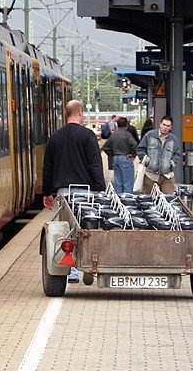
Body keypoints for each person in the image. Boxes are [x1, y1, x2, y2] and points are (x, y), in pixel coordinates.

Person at [43, 100, 106, 283]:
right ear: (80, 112)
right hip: (87, 193)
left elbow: (48, 167)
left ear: (66, 112)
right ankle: (88, 264)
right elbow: (95, 164)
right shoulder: (88, 136)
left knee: (67, 231)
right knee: (87, 229)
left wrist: (48, 193)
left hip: (64, 193)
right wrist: (100, 188)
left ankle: (71, 271)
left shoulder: (55, 137)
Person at [136, 115, 182, 194]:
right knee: (149, 201)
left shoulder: (173, 139)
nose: (165, 127)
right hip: (151, 175)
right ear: (160, 124)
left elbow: (177, 153)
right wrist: (146, 160)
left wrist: (172, 163)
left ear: (171, 127)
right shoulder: (149, 135)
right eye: (164, 125)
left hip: (167, 176)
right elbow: (140, 149)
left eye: (168, 126)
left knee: (168, 201)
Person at [102, 117, 138, 194]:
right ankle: (127, 202)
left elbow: (105, 147)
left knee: (118, 183)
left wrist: (111, 154)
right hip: (125, 158)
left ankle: (118, 201)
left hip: (116, 158)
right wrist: (133, 155)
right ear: (127, 125)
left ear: (117, 125)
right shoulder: (127, 135)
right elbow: (135, 145)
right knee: (127, 183)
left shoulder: (113, 135)